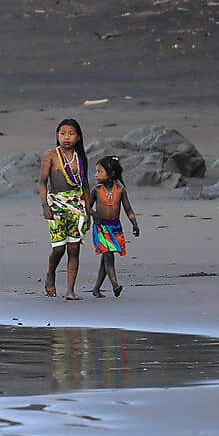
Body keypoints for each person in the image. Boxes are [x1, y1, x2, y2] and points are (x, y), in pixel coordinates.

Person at [37, 117, 90, 299]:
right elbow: (42, 183)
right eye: (63, 133)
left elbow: (85, 186)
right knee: (59, 248)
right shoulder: (51, 156)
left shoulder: (81, 158)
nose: (66, 137)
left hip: (77, 205)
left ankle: (70, 291)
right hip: (56, 205)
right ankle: (50, 274)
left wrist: (88, 211)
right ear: (57, 135)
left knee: (74, 249)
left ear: (78, 137)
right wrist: (45, 206)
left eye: (71, 134)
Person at [86, 155, 140, 296]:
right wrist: (93, 214)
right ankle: (115, 285)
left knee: (106, 258)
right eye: (96, 171)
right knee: (108, 256)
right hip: (101, 228)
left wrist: (134, 224)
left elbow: (128, 209)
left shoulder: (121, 191)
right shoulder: (96, 191)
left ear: (111, 174)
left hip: (115, 228)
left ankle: (96, 288)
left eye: (100, 171)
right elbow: (86, 207)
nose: (96, 175)